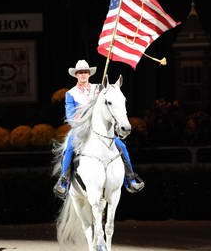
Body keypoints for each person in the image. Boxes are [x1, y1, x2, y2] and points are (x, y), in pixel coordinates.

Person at [53, 60, 145, 200]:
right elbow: (70, 115)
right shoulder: (71, 93)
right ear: (76, 75)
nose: (83, 75)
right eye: (80, 72)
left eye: (85, 72)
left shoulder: (99, 88)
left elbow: (109, 101)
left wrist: (105, 91)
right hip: (81, 129)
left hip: (100, 129)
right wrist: (83, 118)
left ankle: (130, 178)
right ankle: (64, 181)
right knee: (70, 146)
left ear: (89, 74)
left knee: (121, 146)